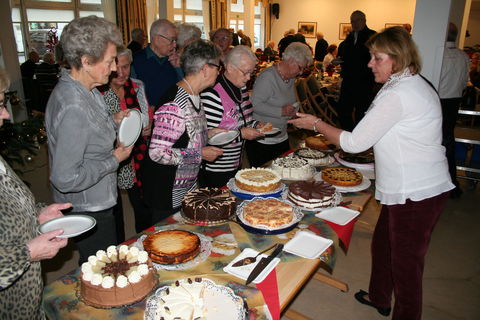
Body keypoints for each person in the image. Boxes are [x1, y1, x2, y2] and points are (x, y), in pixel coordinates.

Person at [289, 27, 454, 320]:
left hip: (417, 191)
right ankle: (380, 296)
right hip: (406, 187)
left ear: (397, 58)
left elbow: (355, 142)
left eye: (376, 58)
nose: (369, 63)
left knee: (406, 264)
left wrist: (316, 124)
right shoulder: (404, 83)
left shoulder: (400, 92)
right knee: (384, 244)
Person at [45, 16, 133, 264]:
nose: (115, 68)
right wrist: (113, 160)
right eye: (109, 61)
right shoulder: (74, 105)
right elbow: (65, 177)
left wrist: (113, 119)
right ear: (85, 61)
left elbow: (87, 132)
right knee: (103, 270)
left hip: (98, 196)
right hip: (88, 207)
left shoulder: (87, 89)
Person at [0, 68, 70, 319]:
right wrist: (28, 253)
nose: (7, 114)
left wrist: (38, 213)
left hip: (29, 301)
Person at [141, 39, 224, 224]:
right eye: (218, 67)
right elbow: (157, 153)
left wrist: (209, 133)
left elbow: (185, 133)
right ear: (205, 69)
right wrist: (199, 153)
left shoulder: (194, 94)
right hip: (167, 190)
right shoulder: (175, 104)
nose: (219, 72)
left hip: (186, 184)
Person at [98, 47, 152, 235]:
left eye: (126, 67)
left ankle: (145, 240)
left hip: (137, 152)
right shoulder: (99, 92)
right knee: (114, 208)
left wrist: (147, 125)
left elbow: (145, 115)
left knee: (142, 202)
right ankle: (118, 246)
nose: (121, 73)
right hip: (110, 153)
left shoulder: (137, 86)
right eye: (117, 68)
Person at [200, 46, 265, 187]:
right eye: (246, 72)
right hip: (215, 169)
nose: (248, 78)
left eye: (251, 73)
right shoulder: (212, 95)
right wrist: (241, 134)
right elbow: (206, 137)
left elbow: (242, 120)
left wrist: (255, 125)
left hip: (236, 164)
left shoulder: (241, 89)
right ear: (229, 67)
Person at [245, 42, 312, 167]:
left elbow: (289, 102)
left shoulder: (290, 78)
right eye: (300, 67)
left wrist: (293, 113)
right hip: (262, 140)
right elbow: (254, 104)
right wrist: (280, 111)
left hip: (281, 136)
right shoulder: (268, 77)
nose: (301, 72)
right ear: (291, 60)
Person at [438, 22, 469, 198]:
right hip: (454, 102)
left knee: (438, 143)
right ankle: (452, 184)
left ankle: (445, 185)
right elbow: (465, 83)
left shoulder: (438, 55)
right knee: (448, 141)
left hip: (438, 101)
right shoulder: (463, 56)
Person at [337, 10, 376, 130]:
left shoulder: (372, 36)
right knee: (343, 110)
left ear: (364, 20)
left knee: (362, 113)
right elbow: (347, 56)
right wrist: (340, 60)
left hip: (364, 81)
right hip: (348, 80)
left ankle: (358, 140)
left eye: (356, 20)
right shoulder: (349, 37)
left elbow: (373, 57)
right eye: (352, 21)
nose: (354, 23)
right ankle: (349, 135)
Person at [131, 19, 181, 110]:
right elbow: (130, 94)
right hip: (147, 118)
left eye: (175, 40)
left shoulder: (175, 60)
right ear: (157, 39)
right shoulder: (135, 60)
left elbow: (184, 91)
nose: (174, 45)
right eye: (172, 40)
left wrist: (178, 68)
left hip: (172, 117)